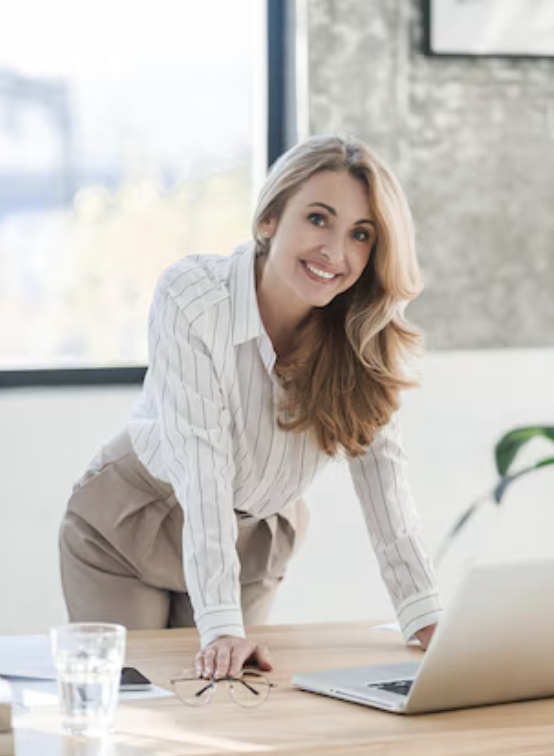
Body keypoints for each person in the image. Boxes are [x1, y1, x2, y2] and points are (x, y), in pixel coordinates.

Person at [59, 134, 442, 682]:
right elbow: (201, 464)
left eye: (360, 234)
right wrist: (220, 625)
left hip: (256, 537)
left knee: (229, 706)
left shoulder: (364, 337)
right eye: (318, 219)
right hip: (133, 521)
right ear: (268, 220)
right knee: (137, 705)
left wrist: (424, 614)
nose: (335, 252)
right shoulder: (193, 298)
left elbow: (385, 482)